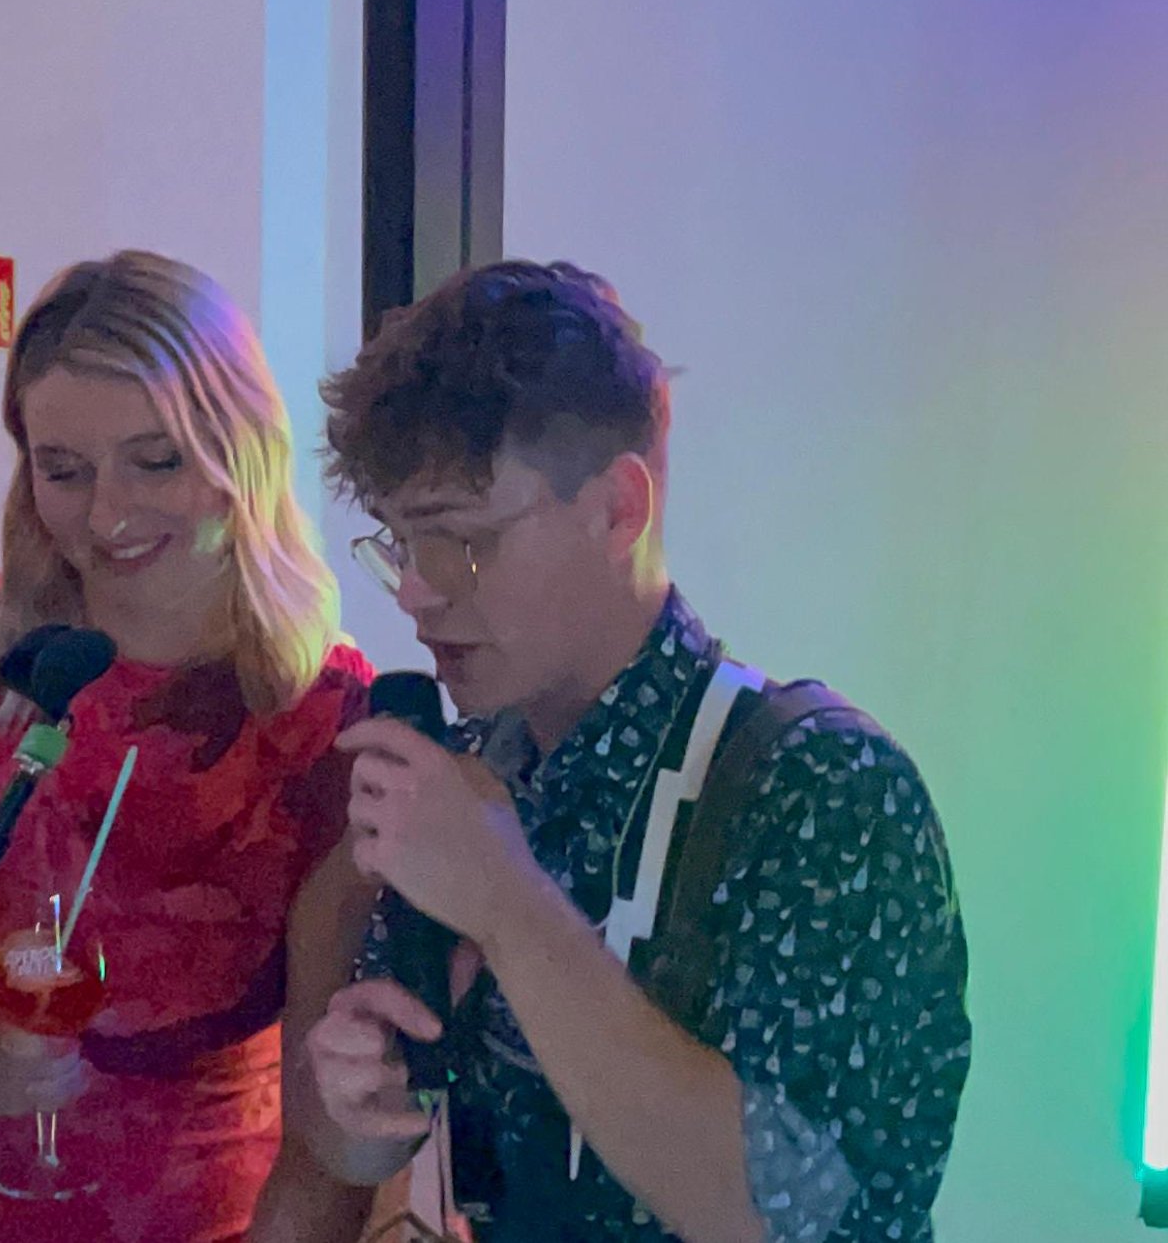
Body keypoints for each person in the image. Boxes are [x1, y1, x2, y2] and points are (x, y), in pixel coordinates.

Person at [295, 261, 971, 1241]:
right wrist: (357, 1092)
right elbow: (359, 1142)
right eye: (399, 542)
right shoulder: (481, 764)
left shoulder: (823, 788)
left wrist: (507, 903)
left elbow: (781, 1217)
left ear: (618, 507)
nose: (415, 591)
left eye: (462, 541)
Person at [0, 250, 377, 1243]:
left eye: (154, 460)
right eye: (64, 470)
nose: (108, 514)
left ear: (242, 447)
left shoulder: (323, 724)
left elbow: (326, 1134)